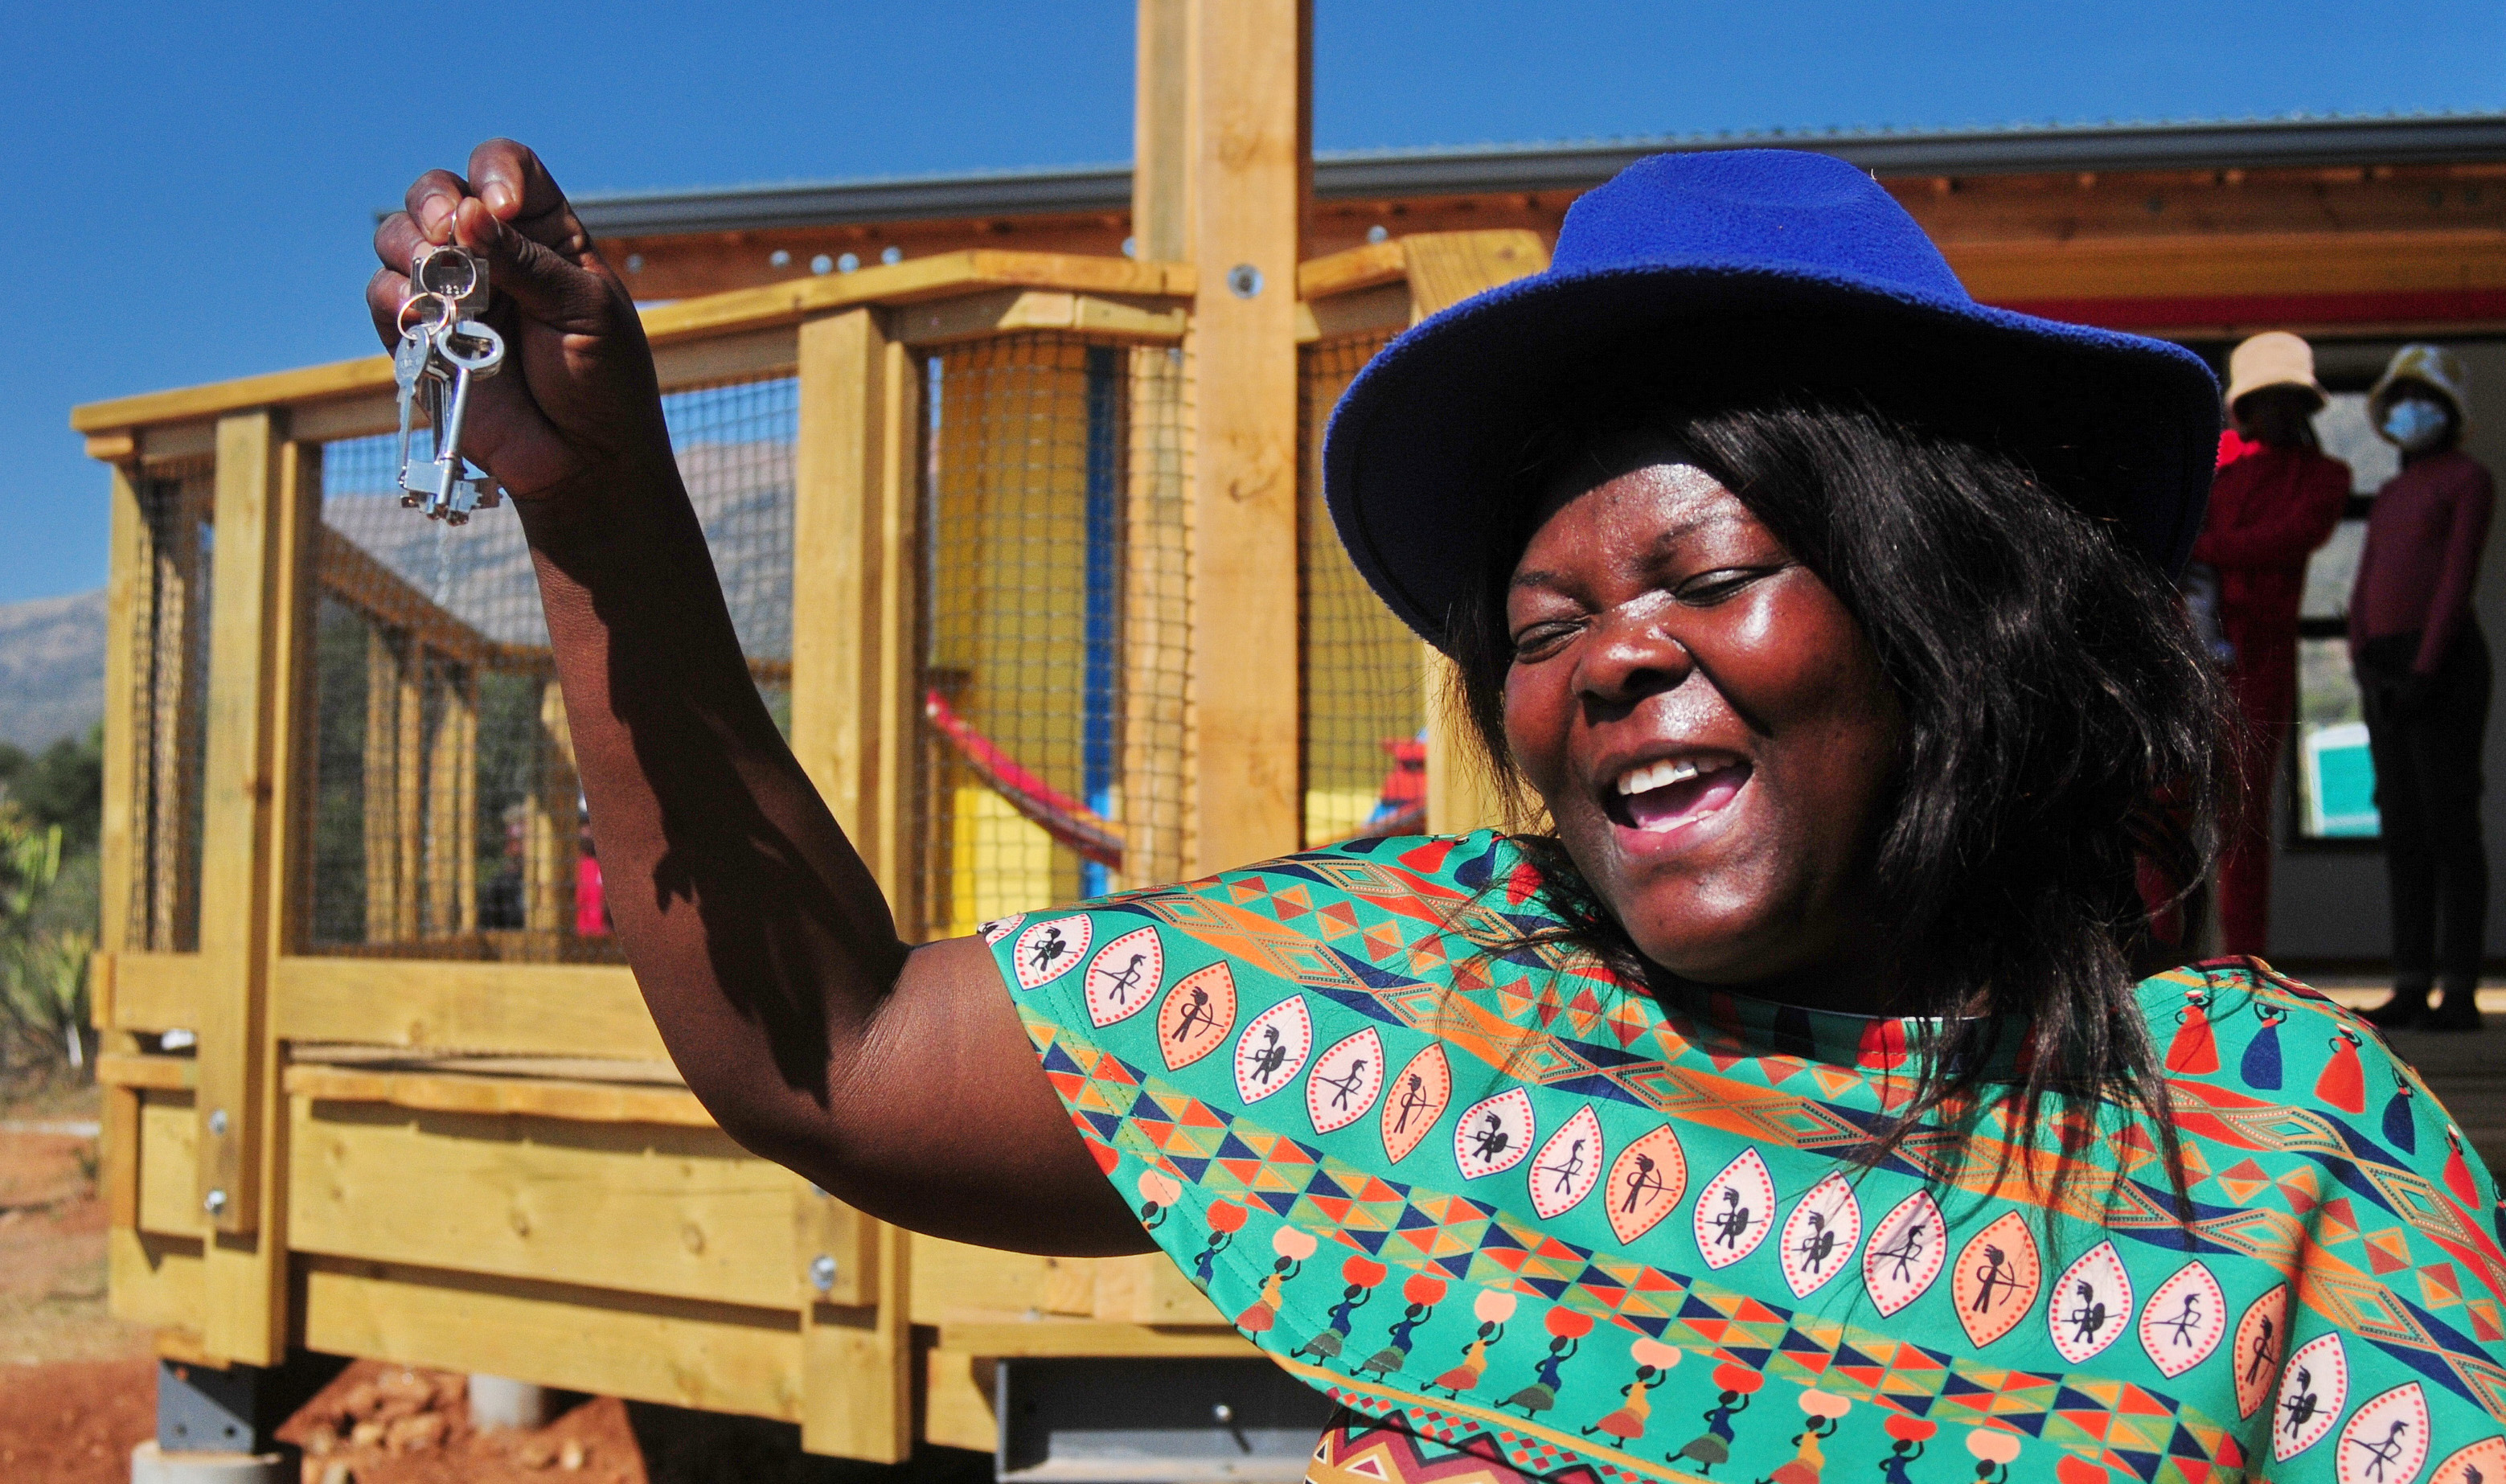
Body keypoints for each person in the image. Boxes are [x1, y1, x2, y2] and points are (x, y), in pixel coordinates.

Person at [369, 142, 2506, 1483]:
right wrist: (602, 507)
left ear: (1944, 607)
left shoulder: (2274, 1161)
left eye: (1703, 574)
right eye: (1542, 624)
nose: (1604, 663)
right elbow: (835, 1047)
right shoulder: (1425, 998)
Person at [2352, 345, 2495, 1032]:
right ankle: (2410, 982)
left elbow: (2453, 581)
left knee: (2449, 824)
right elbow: (2365, 581)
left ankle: (2458, 987)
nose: (2413, 411)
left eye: (2427, 399)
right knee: (2402, 826)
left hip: (2442, 665)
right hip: (2384, 669)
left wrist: (2424, 669)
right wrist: (2361, 658)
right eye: (2403, 399)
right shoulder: (2389, 493)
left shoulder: (2467, 479)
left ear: (2450, 411)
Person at [2194, 333, 2351, 958]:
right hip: (2193, 648)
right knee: (2165, 804)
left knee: (2243, 818)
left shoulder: (2324, 477)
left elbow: (2285, 541)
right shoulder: (2218, 465)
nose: (2278, 413)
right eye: (2266, 399)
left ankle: (2240, 959)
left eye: (2289, 399)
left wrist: (2204, 549)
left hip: (2260, 659)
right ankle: (2160, 958)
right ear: (2245, 407)